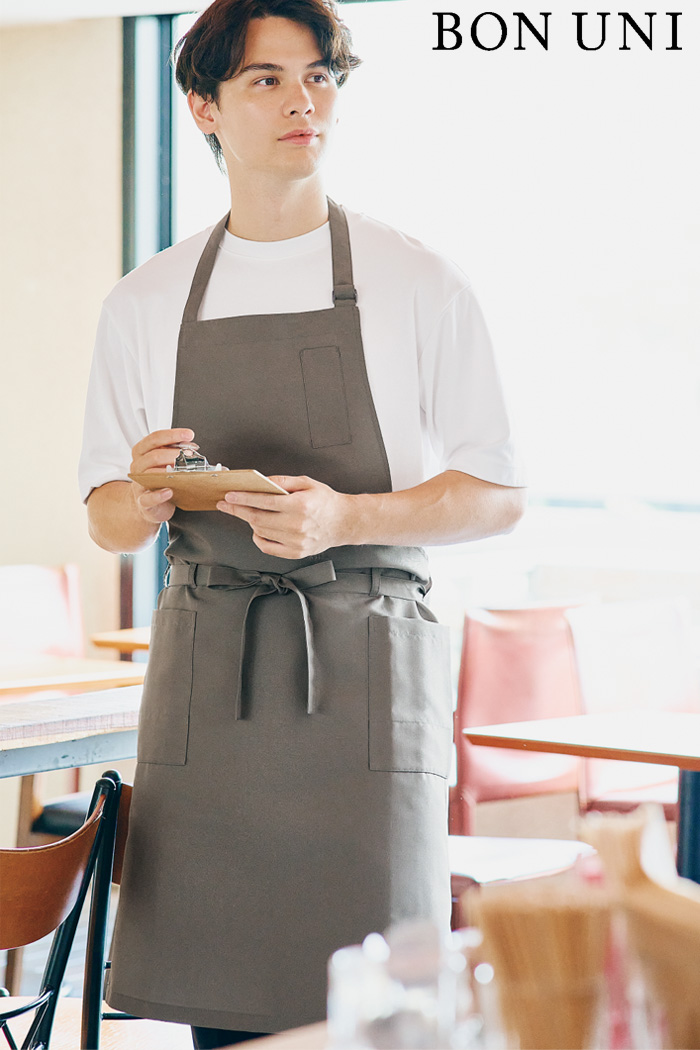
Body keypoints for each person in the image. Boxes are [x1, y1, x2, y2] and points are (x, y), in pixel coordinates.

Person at [79, 0, 527, 1045]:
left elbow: (497, 495)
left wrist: (347, 517)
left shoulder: (417, 278)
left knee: (383, 1014)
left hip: (364, 683)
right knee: (221, 1019)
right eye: (266, 80)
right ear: (204, 106)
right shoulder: (143, 303)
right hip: (211, 684)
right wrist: (142, 494)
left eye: (318, 75)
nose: (302, 100)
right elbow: (104, 518)